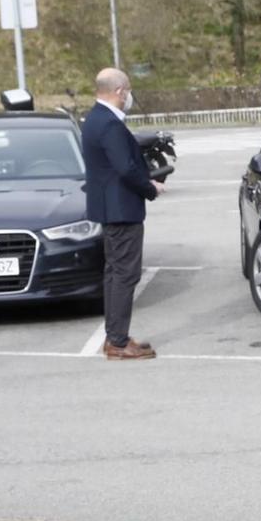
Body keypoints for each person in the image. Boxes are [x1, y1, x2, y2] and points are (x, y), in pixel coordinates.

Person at [80, 67, 160, 360]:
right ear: (119, 92)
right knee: (124, 275)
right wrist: (150, 188)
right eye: (128, 91)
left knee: (115, 274)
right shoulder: (110, 124)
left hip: (110, 208)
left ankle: (116, 336)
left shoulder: (94, 119)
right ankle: (117, 341)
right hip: (121, 209)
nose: (129, 96)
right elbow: (125, 167)